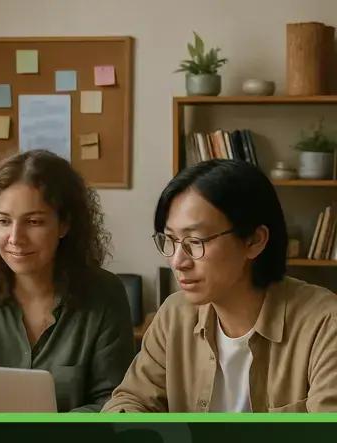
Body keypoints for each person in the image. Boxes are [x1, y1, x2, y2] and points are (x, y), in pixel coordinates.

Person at [103, 159, 337, 413]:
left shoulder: (325, 324)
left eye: (195, 241)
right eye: (170, 239)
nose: (178, 261)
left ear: (254, 241)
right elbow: (130, 399)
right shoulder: (174, 314)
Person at [0, 150, 135, 412]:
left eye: (33, 221)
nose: (15, 238)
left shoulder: (105, 294)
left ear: (64, 225)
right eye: (3, 221)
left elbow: (114, 402)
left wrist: (42, 430)